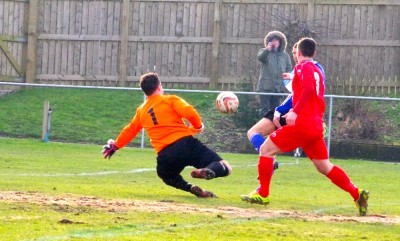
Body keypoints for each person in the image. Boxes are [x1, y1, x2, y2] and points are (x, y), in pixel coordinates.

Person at [241, 38, 369, 216]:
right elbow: (309, 87)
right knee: (324, 166)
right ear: (314, 53)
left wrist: (295, 112)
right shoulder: (316, 69)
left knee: (266, 149)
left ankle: (263, 193)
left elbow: (308, 89)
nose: (294, 56)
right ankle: (356, 193)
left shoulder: (303, 67)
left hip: (302, 123)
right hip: (315, 125)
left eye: (295, 53)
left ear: (299, 53)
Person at [102, 72, 232, 198]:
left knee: (167, 176)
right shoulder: (170, 100)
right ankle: (208, 171)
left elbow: (130, 130)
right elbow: (189, 112)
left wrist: (116, 146)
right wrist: (197, 126)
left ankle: (190, 187)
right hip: (185, 145)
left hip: (165, 155)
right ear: (159, 87)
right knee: (225, 166)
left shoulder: (141, 111)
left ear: (145, 91)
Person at [256, 30, 292, 116]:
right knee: (264, 112)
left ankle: (273, 129)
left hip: (278, 89)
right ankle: (263, 129)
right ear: (269, 42)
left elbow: (289, 69)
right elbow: (261, 58)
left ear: (280, 42)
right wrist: (267, 50)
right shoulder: (264, 51)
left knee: (276, 112)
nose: (274, 42)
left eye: (276, 40)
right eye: (272, 40)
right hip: (265, 87)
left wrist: (284, 83)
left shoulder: (285, 55)